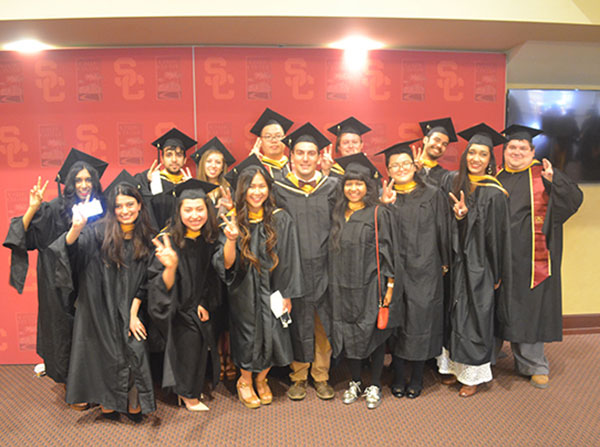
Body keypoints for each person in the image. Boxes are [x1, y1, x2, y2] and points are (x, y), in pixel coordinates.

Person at [52, 170, 156, 420]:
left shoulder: (147, 237)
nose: (124, 210)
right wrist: (76, 228)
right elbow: (69, 251)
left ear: (139, 205)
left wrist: (133, 312)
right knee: (104, 348)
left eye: (129, 204)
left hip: (130, 303)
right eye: (118, 206)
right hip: (100, 304)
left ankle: (132, 397)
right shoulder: (97, 231)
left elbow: (147, 281)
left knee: (133, 343)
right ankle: (106, 399)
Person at [3, 149, 107, 399]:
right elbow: (24, 236)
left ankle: (93, 381)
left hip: (91, 278)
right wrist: (32, 208)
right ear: (70, 182)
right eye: (78, 180)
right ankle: (68, 384)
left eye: (88, 180)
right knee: (63, 330)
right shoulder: (54, 208)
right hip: (58, 282)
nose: (84, 185)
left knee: (92, 329)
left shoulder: (101, 208)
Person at [496, 124, 583, 389]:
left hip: (531, 257)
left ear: (532, 151)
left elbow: (573, 201)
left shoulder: (542, 175)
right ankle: (485, 360)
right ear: (504, 151)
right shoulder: (496, 176)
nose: (517, 152)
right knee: (493, 306)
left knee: (529, 307)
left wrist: (554, 180)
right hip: (499, 256)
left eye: (523, 148)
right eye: (512, 147)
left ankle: (534, 364)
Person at [214, 156, 304, 408]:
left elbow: (289, 259)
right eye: (251, 186)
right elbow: (226, 264)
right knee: (246, 336)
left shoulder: (280, 218)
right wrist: (231, 239)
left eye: (261, 186)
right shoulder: (232, 219)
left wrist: (287, 293)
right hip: (242, 291)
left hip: (273, 290)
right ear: (242, 189)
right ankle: (244, 380)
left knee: (274, 334)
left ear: (269, 188)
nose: (257, 192)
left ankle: (262, 379)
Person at [437, 123, 512, 397]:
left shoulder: (495, 193)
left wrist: (495, 273)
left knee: (474, 317)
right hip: (454, 263)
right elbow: (441, 223)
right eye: (472, 153)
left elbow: (497, 238)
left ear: (490, 160)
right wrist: (458, 218)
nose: (476, 159)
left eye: (482, 154)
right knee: (452, 314)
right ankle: (453, 368)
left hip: (478, 265)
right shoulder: (452, 182)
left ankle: (473, 375)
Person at [378, 140, 449, 399]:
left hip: (425, 268)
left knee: (420, 320)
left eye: (405, 163)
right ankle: (397, 374)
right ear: (387, 170)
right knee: (396, 320)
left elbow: (443, 231)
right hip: (394, 270)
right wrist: (383, 205)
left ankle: (417, 376)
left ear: (414, 165)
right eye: (394, 165)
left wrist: (443, 264)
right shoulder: (385, 196)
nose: (401, 168)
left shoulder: (432, 194)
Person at [272, 123, 337, 401]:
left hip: (325, 265)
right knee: (296, 321)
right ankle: (298, 376)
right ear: (291, 157)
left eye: (311, 153)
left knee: (323, 323)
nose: (306, 158)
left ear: (320, 157)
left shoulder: (332, 187)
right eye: (300, 153)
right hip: (293, 265)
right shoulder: (279, 188)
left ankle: (321, 375)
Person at [148, 179, 222, 411]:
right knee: (188, 336)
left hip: (196, 303)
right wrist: (170, 266)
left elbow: (211, 275)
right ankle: (187, 394)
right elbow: (157, 284)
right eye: (188, 210)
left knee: (199, 339)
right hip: (173, 306)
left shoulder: (208, 236)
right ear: (178, 211)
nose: (194, 215)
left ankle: (188, 389)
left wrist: (202, 301)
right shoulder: (168, 239)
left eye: (200, 209)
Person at [329, 153, 396, 409]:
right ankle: (355, 381)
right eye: (349, 183)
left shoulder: (378, 213)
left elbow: (389, 252)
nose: (353, 188)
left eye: (359, 184)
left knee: (373, 335)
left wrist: (389, 287)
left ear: (368, 187)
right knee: (348, 334)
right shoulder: (337, 214)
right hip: (341, 286)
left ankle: (375, 384)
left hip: (370, 286)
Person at [136, 127, 195, 229]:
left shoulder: (188, 183)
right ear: (162, 159)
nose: (174, 159)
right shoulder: (153, 181)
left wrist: (192, 187)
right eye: (169, 155)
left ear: (185, 160)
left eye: (179, 155)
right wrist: (146, 182)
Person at [248, 107, 294, 181]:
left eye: (278, 136)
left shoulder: (296, 167)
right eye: (268, 136)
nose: (273, 141)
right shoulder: (256, 168)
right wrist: (251, 162)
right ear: (261, 141)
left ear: (285, 139)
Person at [414, 117, 458, 187]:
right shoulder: (409, 167)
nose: (439, 145)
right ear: (425, 140)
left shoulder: (444, 176)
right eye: (437, 140)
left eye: (444, 144)